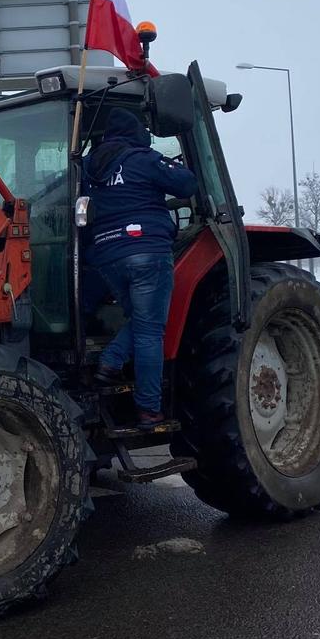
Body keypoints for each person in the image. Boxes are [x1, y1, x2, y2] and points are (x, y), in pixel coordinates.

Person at [84, 107, 198, 427]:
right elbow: (187, 185)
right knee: (150, 331)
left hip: (106, 255)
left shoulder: (90, 168)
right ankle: (148, 409)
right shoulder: (142, 158)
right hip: (146, 252)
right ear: (136, 135)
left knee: (141, 319)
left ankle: (112, 360)